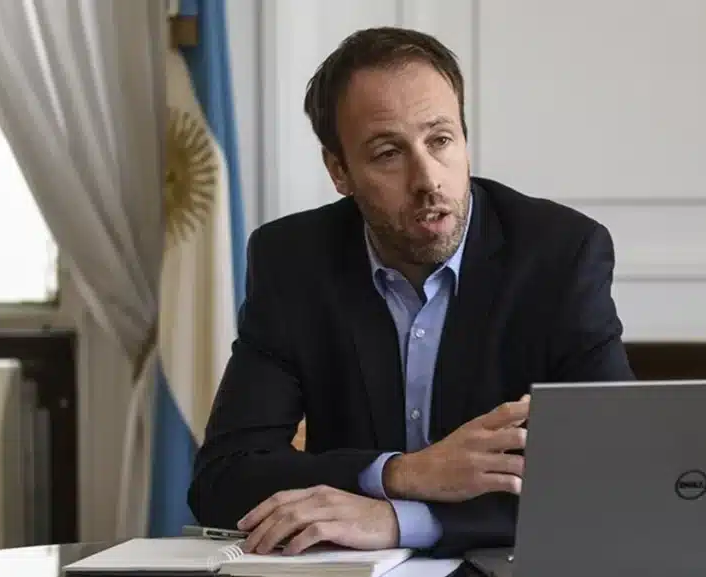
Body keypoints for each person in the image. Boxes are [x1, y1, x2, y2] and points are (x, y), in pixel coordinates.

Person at [187, 26, 635, 559]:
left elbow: (616, 473)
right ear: (339, 171)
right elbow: (223, 479)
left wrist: (402, 520)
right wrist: (400, 473)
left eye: (440, 140)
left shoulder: (560, 255)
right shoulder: (293, 262)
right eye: (387, 153)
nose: (428, 180)